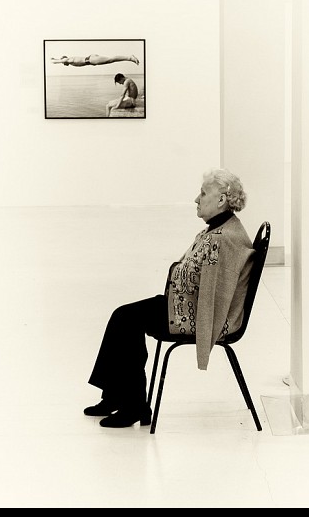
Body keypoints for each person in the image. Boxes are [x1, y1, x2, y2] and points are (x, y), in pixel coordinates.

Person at [83, 168, 255, 428]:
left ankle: (132, 405)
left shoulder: (224, 239)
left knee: (127, 319)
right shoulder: (221, 229)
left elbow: (216, 298)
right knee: (123, 315)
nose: (197, 199)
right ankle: (117, 396)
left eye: (203, 194)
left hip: (200, 316)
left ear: (221, 199)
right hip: (185, 305)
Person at [51, 53, 139, 66]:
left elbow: (62, 60)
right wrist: (55, 59)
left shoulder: (68, 60)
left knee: (110, 59)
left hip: (90, 60)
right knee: (110, 60)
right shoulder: (70, 60)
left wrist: (54, 61)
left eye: (63, 62)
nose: (64, 64)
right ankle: (129, 58)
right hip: (91, 59)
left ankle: (129, 57)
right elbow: (61, 60)